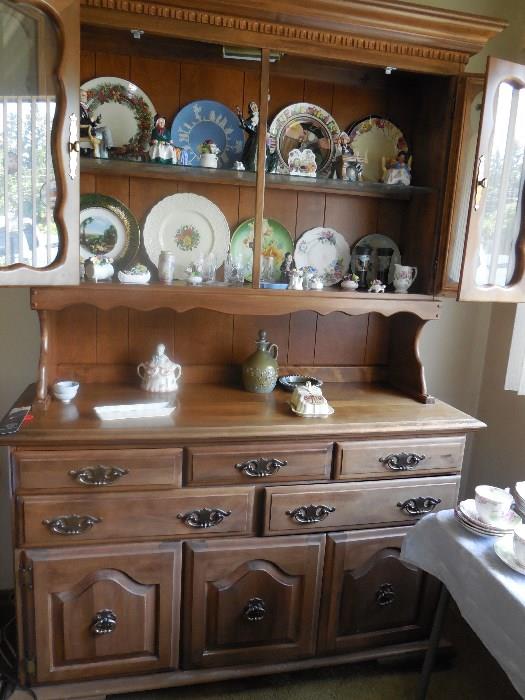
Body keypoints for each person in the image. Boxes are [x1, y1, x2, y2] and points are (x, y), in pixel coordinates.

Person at [80, 89, 113, 158]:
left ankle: (105, 154)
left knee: (104, 132)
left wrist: (96, 121)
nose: (85, 97)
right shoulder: (78, 107)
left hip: (89, 129)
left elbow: (89, 123)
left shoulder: (84, 107)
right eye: (83, 95)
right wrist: (91, 120)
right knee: (105, 129)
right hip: (84, 131)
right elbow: (80, 121)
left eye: (86, 95)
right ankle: (109, 148)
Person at [236, 102, 259, 171]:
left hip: (257, 138)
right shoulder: (252, 117)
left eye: (255, 107)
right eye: (253, 108)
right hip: (252, 137)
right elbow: (245, 124)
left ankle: (250, 168)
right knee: (247, 153)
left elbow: (245, 124)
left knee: (252, 154)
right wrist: (240, 116)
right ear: (250, 110)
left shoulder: (258, 116)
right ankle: (247, 167)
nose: (254, 108)